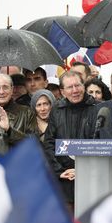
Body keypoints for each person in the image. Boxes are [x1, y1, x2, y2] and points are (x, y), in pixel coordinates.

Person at [44, 71, 97, 207]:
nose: (75, 91)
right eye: (69, 87)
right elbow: (49, 143)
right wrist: (59, 171)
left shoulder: (98, 108)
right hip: (64, 179)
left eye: (77, 85)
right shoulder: (57, 109)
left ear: (84, 86)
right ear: (62, 91)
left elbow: (101, 144)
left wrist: (81, 169)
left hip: (91, 180)